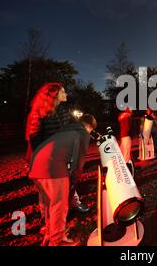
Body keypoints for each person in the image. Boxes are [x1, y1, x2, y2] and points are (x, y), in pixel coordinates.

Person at [29, 114, 96, 246]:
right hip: (52, 167)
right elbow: (79, 161)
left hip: (36, 164)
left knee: (50, 204)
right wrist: (74, 179)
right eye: (91, 130)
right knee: (59, 205)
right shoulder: (82, 133)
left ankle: (50, 232)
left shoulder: (67, 129)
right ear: (89, 126)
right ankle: (58, 240)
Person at [25, 82, 89, 214]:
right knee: (48, 192)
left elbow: (72, 126)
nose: (66, 94)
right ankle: (47, 217)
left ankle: (73, 203)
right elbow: (35, 140)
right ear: (54, 95)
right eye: (63, 92)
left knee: (68, 181)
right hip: (47, 159)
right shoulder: (39, 114)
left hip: (63, 155)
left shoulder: (63, 110)